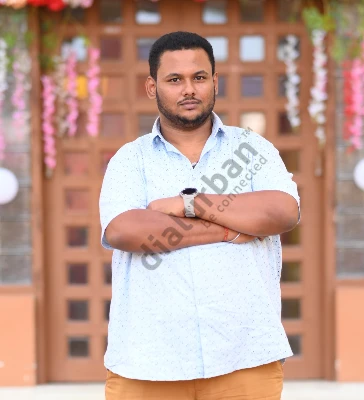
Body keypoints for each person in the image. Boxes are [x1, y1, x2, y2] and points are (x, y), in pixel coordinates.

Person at [100, 31, 300, 400]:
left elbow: (283, 211)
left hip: (245, 356)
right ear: (152, 87)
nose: (189, 89)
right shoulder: (130, 159)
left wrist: (189, 204)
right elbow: (125, 231)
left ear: (215, 82)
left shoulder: (252, 148)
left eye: (199, 77)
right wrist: (229, 229)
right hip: (148, 362)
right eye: (174, 79)